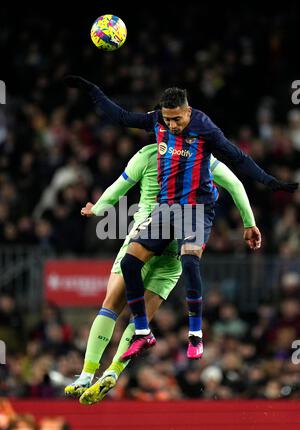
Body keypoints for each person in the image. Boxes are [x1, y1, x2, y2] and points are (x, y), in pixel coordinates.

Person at [65, 77, 298, 361]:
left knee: (189, 260)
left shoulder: (205, 129)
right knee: (129, 261)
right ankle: (142, 332)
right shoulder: (158, 122)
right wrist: (92, 90)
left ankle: (196, 335)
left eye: (177, 119)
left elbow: (238, 159)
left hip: (198, 209)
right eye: (167, 119)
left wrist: (270, 182)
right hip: (167, 210)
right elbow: (121, 117)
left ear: (188, 112)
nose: (172, 125)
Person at [65, 143, 260, 405]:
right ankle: (113, 371)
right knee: (142, 317)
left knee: (111, 305)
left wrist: (97, 209)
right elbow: (236, 184)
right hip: (180, 242)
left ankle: (87, 374)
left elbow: (119, 187)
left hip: (146, 234)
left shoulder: (148, 154)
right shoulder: (202, 156)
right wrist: (249, 223)